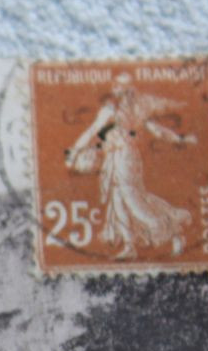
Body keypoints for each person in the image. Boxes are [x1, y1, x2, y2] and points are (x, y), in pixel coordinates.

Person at [63, 72, 198, 259]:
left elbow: (92, 131)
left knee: (133, 201)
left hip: (124, 157)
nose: (115, 90)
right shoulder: (127, 109)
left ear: (124, 90)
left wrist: (73, 152)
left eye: (118, 87)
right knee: (118, 201)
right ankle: (129, 246)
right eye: (116, 87)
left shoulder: (115, 111)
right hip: (117, 157)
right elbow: (157, 131)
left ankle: (172, 231)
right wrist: (181, 138)